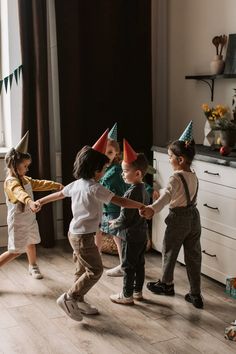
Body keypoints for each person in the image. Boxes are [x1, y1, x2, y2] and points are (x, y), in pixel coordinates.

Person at [37, 131, 145, 322]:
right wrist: (141, 205)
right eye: (103, 168)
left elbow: (60, 194)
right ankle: (69, 297)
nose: (104, 172)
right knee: (95, 270)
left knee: (81, 269)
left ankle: (78, 300)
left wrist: (41, 202)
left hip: (74, 234)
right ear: (96, 169)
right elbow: (121, 201)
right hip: (83, 237)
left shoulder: (77, 184)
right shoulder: (96, 188)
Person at [140, 122, 204, 309]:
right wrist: (161, 191)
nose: (169, 160)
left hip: (179, 219)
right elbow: (179, 193)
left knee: (169, 251)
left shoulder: (175, 177)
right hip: (194, 217)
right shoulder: (193, 175)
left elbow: (168, 196)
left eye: (170, 157)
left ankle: (166, 284)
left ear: (180, 159)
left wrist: (152, 208)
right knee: (193, 256)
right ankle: (195, 294)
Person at [2, 131, 63, 279]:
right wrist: (30, 202)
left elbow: (38, 183)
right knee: (15, 251)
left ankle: (33, 265)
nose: (27, 169)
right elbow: (19, 193)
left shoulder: (25, 178)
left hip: (29, 218)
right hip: (18, 221)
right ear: (15, 165)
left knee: (31, 242)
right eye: (25, 166)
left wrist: (55, 185)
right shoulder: (11, 182)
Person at [109, 139, 150, 305]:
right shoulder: (144, 189)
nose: (122, 174)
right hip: (142, 234)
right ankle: (137, 291)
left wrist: (114, 224)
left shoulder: (130, 193)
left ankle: (126, 295)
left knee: (127, 266)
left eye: (125, 171)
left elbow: (126, 218)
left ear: (138, 173)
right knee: (139, 264)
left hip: (131, 236)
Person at [95, 124, 128, 277]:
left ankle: (123, 264)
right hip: (103, 207)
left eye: (110, 152)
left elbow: (104, 185)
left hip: (114, 207)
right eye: (104, 152)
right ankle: (97, 257)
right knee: (98, 231)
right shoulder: (101, 167)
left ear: (116, 153)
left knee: (117, 236)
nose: (106, 155)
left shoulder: (116, 169)